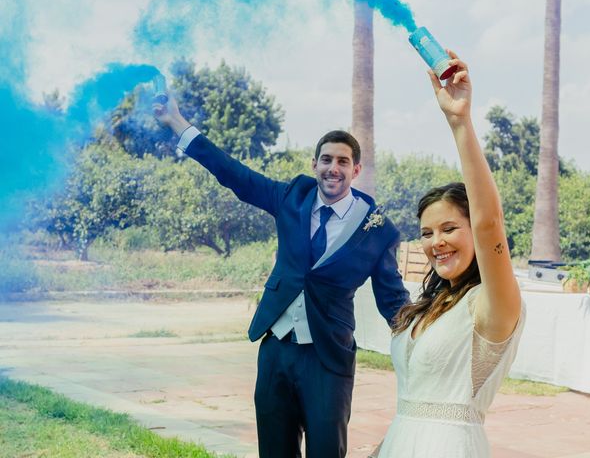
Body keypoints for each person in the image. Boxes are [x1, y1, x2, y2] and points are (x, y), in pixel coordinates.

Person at [153, 95, 410, 458]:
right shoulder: (291, 197)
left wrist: (426, 335)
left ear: (356, 169)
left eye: (342, 161)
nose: (332, 168)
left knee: (326, 450)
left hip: (327, 355)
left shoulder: (379, 230)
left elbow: (392, 298)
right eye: (326, 159)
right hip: (275, 349)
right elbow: (234, 173)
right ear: (315, 164)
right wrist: (178, 123)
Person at [375, 52, 526, 457]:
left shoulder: (493, 304)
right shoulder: (428, 305)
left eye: (449, 228)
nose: (435, 242)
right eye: (426, 233)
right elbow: (411, 405)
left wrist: (459, 120)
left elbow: (491, 222)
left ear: (474, 232)